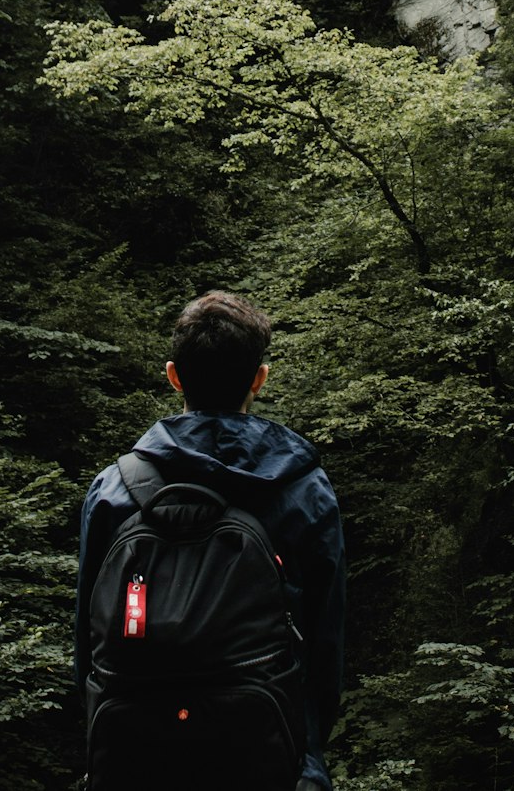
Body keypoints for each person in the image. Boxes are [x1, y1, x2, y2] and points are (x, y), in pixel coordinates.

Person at [75, 291, 345, 791]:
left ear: (174, 375)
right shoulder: (303, 489)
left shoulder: (114, 490)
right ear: (259, 380)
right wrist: (306, 755)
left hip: (135, 754)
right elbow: (325, 644)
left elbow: (88, 642)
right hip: (264, 752)